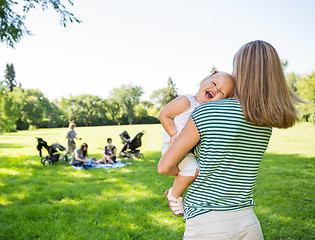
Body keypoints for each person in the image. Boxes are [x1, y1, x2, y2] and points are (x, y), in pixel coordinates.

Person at [158, 40, 304, 239]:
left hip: (207, 223)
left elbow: (164, 167)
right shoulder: (265, 121)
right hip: (248, 221)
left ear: (241, 71)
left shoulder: (207, 110)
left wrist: (177, 188)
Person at [159, 71, 235, 217]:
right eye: (213, 84)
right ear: (204, 81)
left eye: (221, 92)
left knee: (199, 172)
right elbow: (164, 114)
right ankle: (174, 194)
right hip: (174, 146)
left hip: (189, 150)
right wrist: (174, 134)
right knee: (193, 171)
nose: (215, 90)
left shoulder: (208, 112)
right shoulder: (187, 101)